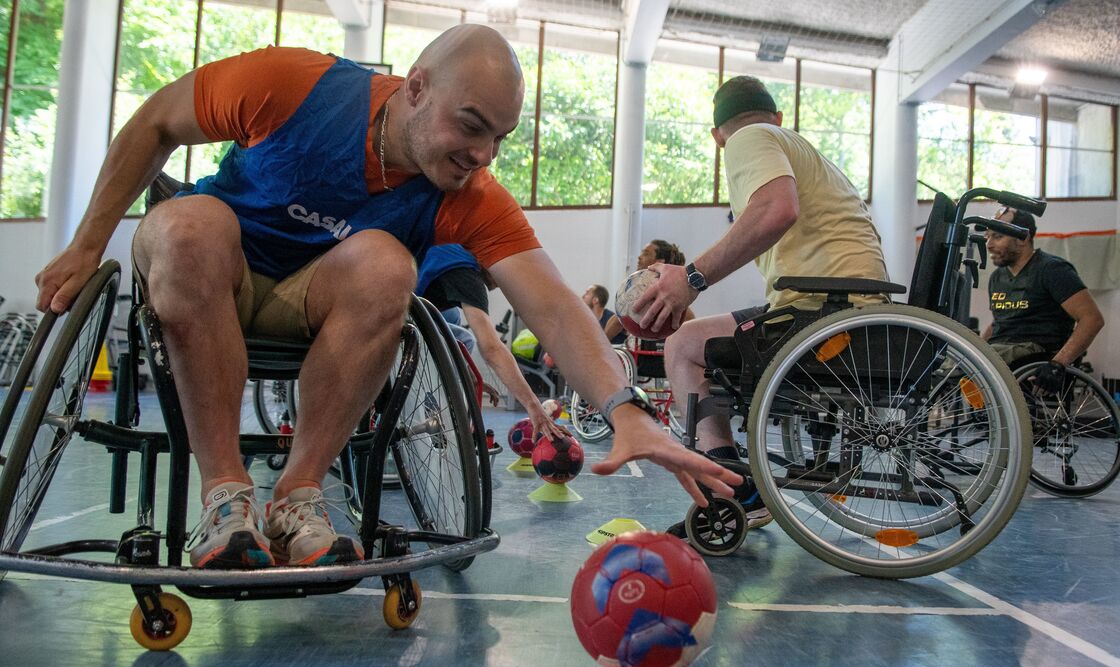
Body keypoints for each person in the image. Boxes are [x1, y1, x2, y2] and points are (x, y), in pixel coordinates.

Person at [34, 25, 739, 570]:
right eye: (471, 125)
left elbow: (550, 301)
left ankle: (298, 496)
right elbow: (154, 120)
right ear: (416, 87)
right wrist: (85, 245)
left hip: (318, 309)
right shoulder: (290, 85)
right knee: (188, 224)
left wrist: (626, 409)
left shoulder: (468, 193)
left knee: (387, 264)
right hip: (214, 273)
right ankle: (225, 497)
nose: (484, 153)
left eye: (500, 137)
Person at [631, 75, 889, 532]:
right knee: (695, 338)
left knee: (683, 348)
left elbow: (776, 210)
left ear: (716, 136)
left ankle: (729, 488)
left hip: (828, 312)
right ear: (779, 115)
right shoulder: (797, 148)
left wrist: (691, 279)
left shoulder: (748, 139)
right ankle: (734, 479)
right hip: (846, 304)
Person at [417, 243, 561, 439]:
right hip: (391, 314)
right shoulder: (465, 272)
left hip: (395, 300)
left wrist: (472, 378)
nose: (503, 283)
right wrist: (533, 406)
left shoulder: (452, 255)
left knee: (451, 318)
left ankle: (428, 401)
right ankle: (431, 410)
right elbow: (491, 348)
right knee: (463, 336)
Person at [982, 207, 1105, 393]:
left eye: (998, 237)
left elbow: (1092, 319)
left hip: (1033, 352)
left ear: (1023, 238)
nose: (989, 244)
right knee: (949, 362)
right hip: (1000, 350)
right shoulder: (997, 278)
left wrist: (1058, 364)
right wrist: (973, 346)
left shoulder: (1052, 270)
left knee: (984, 360)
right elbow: (999, 321)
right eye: (987, 236)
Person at [603, 239, 694, 342]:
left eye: (646, 253)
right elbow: (617, 321)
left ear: (659, 262)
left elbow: (616, 323)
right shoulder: (637, 289)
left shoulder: (673, 301)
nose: (639, 257)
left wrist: (600, 346)